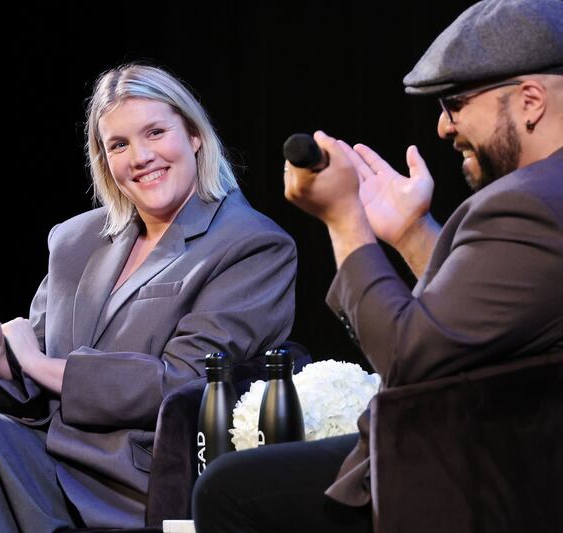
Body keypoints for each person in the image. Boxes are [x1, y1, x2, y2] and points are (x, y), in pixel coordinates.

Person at [0, 63, 296, 532]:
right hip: (45, 454)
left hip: (138, 479)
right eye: (118, 144)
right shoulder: (77, 239)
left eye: (155, 132)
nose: (139, 156)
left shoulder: (251, 246)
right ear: (104, 160)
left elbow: (182, 383)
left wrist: (38, 364)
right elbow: (30, 373)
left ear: (194, 136)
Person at [192, 0, 563, 531]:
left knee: (228, 491)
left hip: (474, 474)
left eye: (455, 103)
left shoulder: (529, 203)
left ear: (530, 101)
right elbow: (482, 319)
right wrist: (412, 233)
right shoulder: (546, 196)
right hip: (501, 453)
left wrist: (346, 222)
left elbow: (410, 358)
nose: (442, 126)